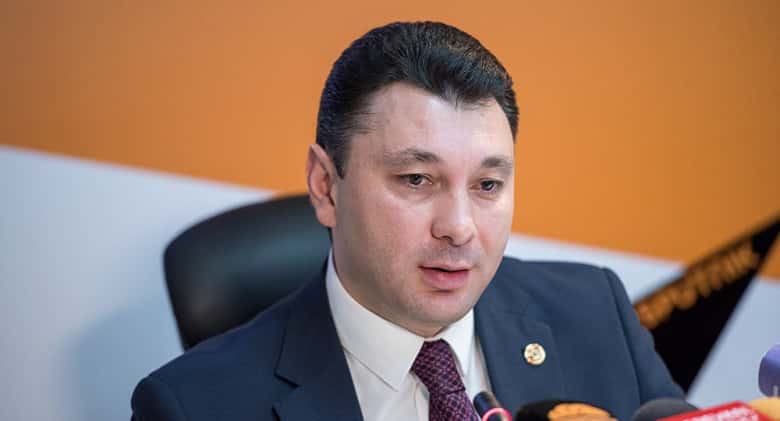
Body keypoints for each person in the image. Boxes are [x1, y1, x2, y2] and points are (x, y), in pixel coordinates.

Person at [131, 21, 683, 421]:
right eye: (417, 180)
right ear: (325, 186)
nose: (459, 228)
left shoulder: (595, 312)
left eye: (487, 186)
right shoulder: (191, 406)